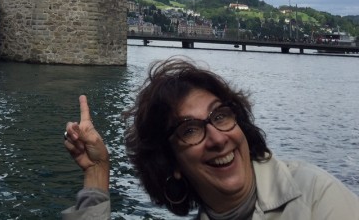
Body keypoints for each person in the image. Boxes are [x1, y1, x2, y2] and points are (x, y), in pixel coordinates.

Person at [63, 57, 359, 219]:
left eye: (220, 116)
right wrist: (97, 175)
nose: (217, 138)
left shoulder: (315, 198)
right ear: (172, 162)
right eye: (190, 130)